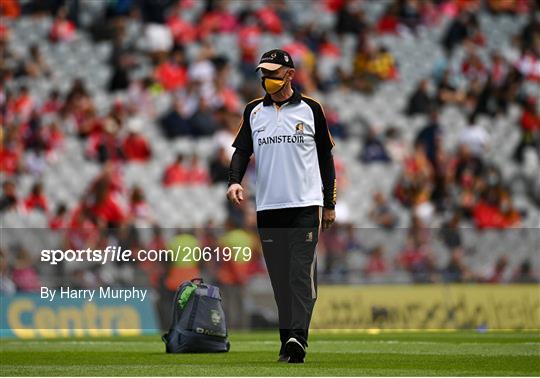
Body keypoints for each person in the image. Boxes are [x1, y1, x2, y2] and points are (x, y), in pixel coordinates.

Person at [226, 49, 336, 363]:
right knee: (279, 279)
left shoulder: (311, 109)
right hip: (269, 207)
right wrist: (235, 181)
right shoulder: (253, 111)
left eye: (273, 73)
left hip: (305, 204)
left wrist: (329, 203)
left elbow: (326, 160)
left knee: (299, 274)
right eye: (264, 73)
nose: (267, 79)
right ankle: (286, 341)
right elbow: (241, 151)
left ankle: (297, 339)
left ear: (290, 74)